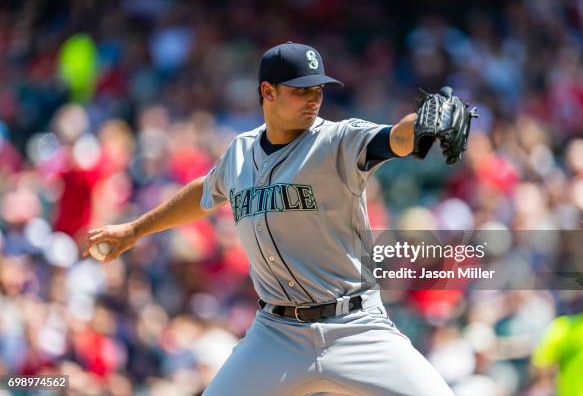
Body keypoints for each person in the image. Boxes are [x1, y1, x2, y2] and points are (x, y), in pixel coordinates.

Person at [85, 42, 455, 395]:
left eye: (319, 90)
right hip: (276, 335)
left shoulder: (336, 141)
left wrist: (424, 123)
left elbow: (396, 138)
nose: (313, 99)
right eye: (301, 90)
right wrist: (135, 229)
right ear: (268, 91)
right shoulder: (240, 152)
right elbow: (205, 191)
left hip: (354, 326)